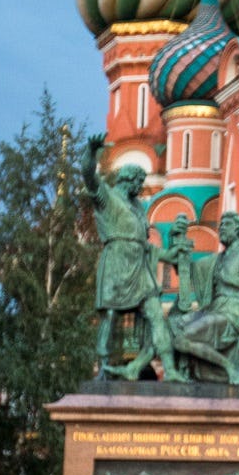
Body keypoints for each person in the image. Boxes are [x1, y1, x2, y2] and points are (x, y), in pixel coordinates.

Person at [81, 133, 185, 382]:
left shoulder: (138, 206)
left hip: (139, 265)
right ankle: (103, 367)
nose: (141, 187)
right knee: (110, 316)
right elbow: (89, 177)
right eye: (140, 182)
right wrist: (90, 152)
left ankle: (169, 369)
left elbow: (147, 245)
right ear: (130, 181)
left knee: (156, 315)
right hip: (117, 261)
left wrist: (167, 256)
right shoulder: (107, 197)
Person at [170, 211, 239, 384]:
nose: (221, 228)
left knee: (183, 339)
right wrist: (176, 239)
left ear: (238, 229)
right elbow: (186, 271)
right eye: (220, 225)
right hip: (214, 309)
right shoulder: (216, 259)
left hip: (234, 311)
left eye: (226, 225)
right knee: (171, 327)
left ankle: (229, 367)